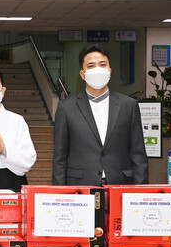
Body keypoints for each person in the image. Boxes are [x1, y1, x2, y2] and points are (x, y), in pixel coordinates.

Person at [52, 44, 149, 185]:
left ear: (110, 71)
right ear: (82, 74)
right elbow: (59, 158)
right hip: (81, 187)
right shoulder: (66, 108)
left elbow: (138, 154)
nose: (97, 69)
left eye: (102, 65)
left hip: (120, 185)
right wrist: (60, 193)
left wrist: (140, 191)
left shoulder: (128, 105)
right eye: (91, 66)